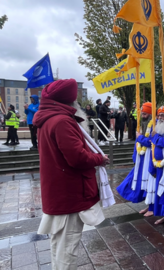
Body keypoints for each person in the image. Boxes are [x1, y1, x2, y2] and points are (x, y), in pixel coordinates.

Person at [34, 79, 110, 269]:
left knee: (59, 245)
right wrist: (99, 159)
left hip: (60, 190)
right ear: (70, 101)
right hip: (69, 192)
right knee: (67, 247)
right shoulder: (62, 121)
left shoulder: (50, 118)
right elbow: (77, 158)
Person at [116, 102, 154, 210]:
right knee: (134, 181)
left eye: (145, 114)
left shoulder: (154, 125)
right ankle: (148, 204)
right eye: (142, 114)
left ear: (151, 114)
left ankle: (151, 206)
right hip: (141, 159)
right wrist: (135, 155)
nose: (143, 116)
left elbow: (151, 142)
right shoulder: (143, 124)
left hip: (149, 159)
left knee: (148, 182)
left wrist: (140, 137)